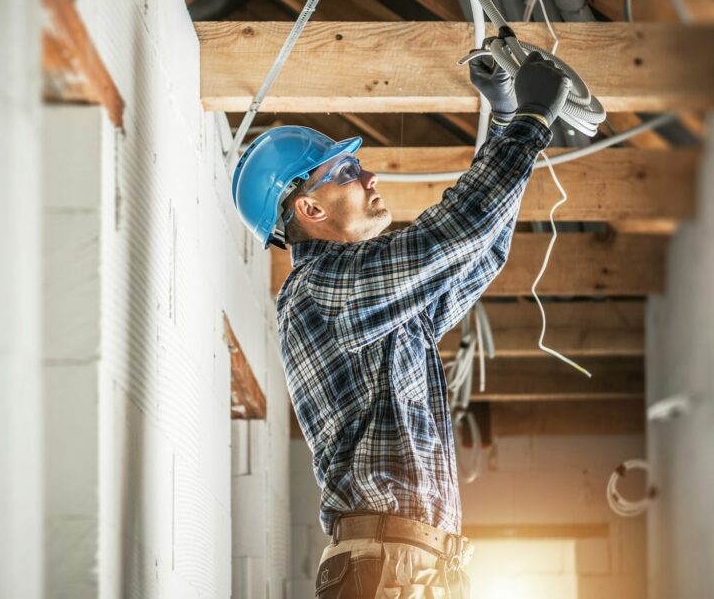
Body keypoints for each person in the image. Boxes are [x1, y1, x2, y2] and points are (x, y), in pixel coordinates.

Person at [231, 52, 572, 598]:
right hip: (389, 569)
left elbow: (480, 251)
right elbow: (457, 233)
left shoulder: (375, 303)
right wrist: (529, 122)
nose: (367, 175)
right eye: (344, 172)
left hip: (409, 566)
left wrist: (509, 124)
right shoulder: (322, 292)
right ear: (310, 209)